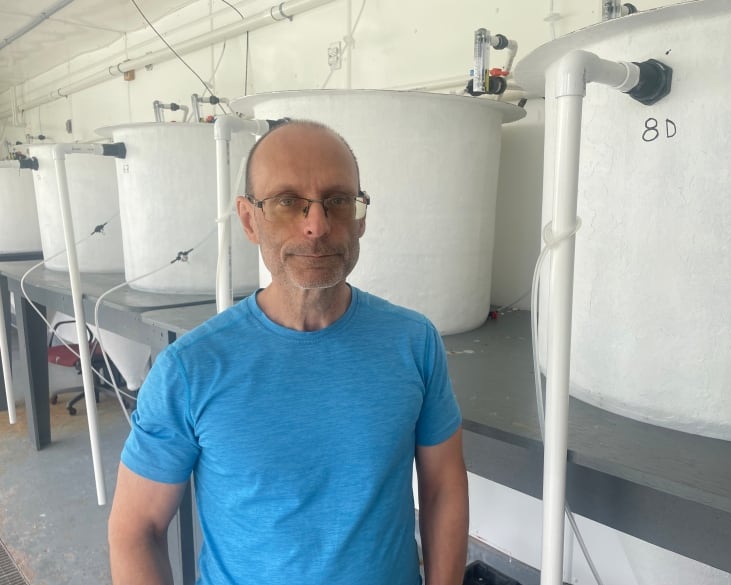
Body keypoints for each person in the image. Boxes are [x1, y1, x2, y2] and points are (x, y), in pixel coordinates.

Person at [108, 120, 468, 585]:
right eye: (287, 202)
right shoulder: (191, 369)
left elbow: (443, 488)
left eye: (337, 200)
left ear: (360, 216)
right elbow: (135, 530)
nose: (316, 225)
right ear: (248, 219)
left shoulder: (413, 342)